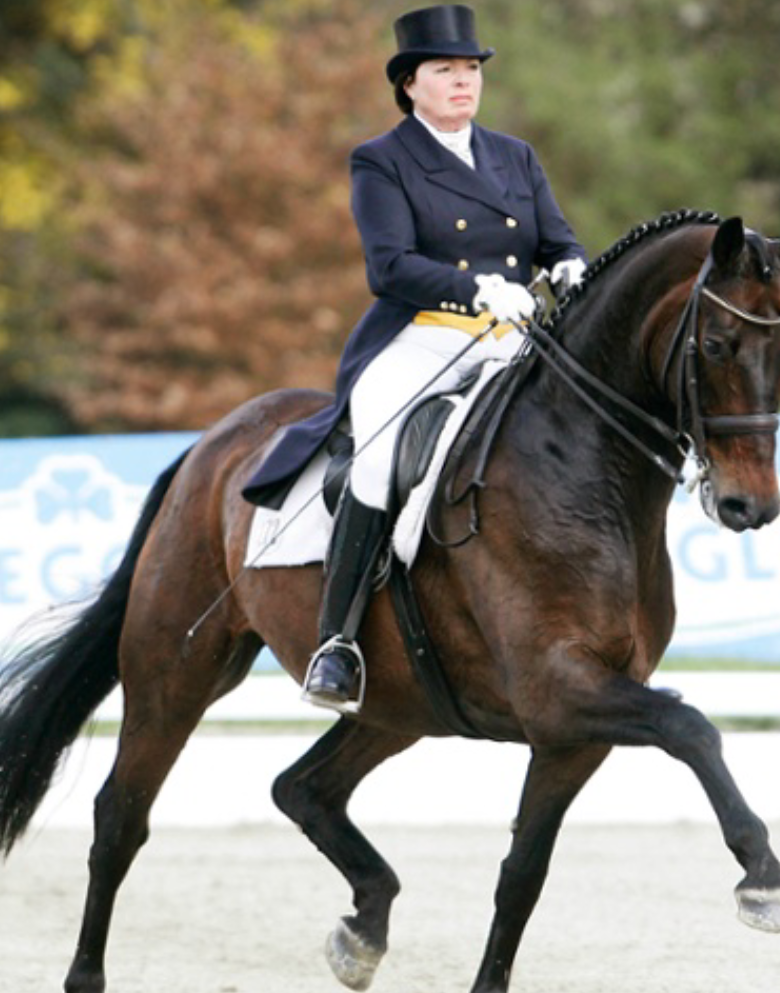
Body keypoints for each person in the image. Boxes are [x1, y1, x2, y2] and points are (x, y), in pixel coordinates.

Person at [241, 4, 588, 714]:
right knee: (376, 452)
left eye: (471, 70)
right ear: (410, 85)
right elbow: (389, 265)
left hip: (511, 338)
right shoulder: (382, 159)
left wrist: (575, 266)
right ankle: (336, 643)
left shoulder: (515, 155)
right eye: (446, 71)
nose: (464, 83)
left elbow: (555, 239)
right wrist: (476, 287)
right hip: (422, 335)